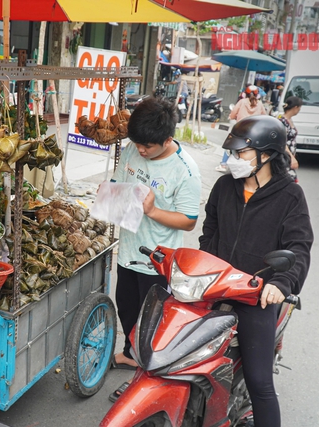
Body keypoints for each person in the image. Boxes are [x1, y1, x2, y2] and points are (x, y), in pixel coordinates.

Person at [199, 115, 313, 427]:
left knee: (260, 383)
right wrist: (205, 263)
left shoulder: (290, 196)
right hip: (214, 285)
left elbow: (300, 246)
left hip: (256, 296)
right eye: (233, 154)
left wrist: (281, 282)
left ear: (266, 155)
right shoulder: (225, 186)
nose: (234, 160)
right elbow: (210, 230)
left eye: (241, 154)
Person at [108, 97, 202, 382]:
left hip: (158, 259)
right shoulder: (132, 149)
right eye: (137, 144)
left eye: (147, 146)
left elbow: (188, 220)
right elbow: (117, 184)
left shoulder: (185, 170)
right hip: (127, 251)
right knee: (126, 307)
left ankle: (151, 372)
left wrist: (152, 210)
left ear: (167, 139)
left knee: (152, 319)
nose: (140, 150)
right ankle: (130, 354)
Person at [216, 85, 267, 172]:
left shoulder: (242, 102)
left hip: (240, 129)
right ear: (257, 95)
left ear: (244, 94)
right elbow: (264, 117)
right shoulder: (260, 104)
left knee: (230, 145)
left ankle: (223, 164)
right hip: (254, 132)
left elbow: (233, 114)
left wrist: (233, 116)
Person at [279, 96, 303, 178]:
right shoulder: (282, 121)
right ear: (295, 107)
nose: (299, 110)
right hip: (284, 157)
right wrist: (291, 157)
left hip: (288, 156)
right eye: (299, 108)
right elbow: (282, 141)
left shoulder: (288, 120)